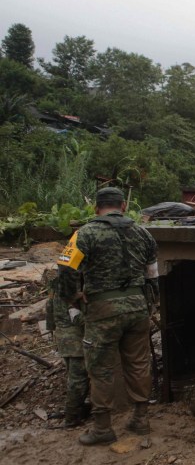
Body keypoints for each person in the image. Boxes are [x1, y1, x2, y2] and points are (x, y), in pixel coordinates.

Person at [57, 186, 158, 446]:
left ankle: (103, 427)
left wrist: (73, 296)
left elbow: (65, 268)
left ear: (96, 208)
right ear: (123, 206)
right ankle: (141, 418)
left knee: (100, 367)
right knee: (138, 364)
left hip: (103, 310)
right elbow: (152, 275)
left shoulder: (83, 234)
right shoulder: (144, 234)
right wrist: (150, 303)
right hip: (137, 307)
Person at [44, 268, 89, 428]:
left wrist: (52, 329)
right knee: (78, 380)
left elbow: (49, 308)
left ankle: (77, 409)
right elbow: (79, 319)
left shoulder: (57, 286)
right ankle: (72, 417)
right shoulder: (73, 291)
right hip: (75, 341)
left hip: (64, 339)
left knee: (74, 378)